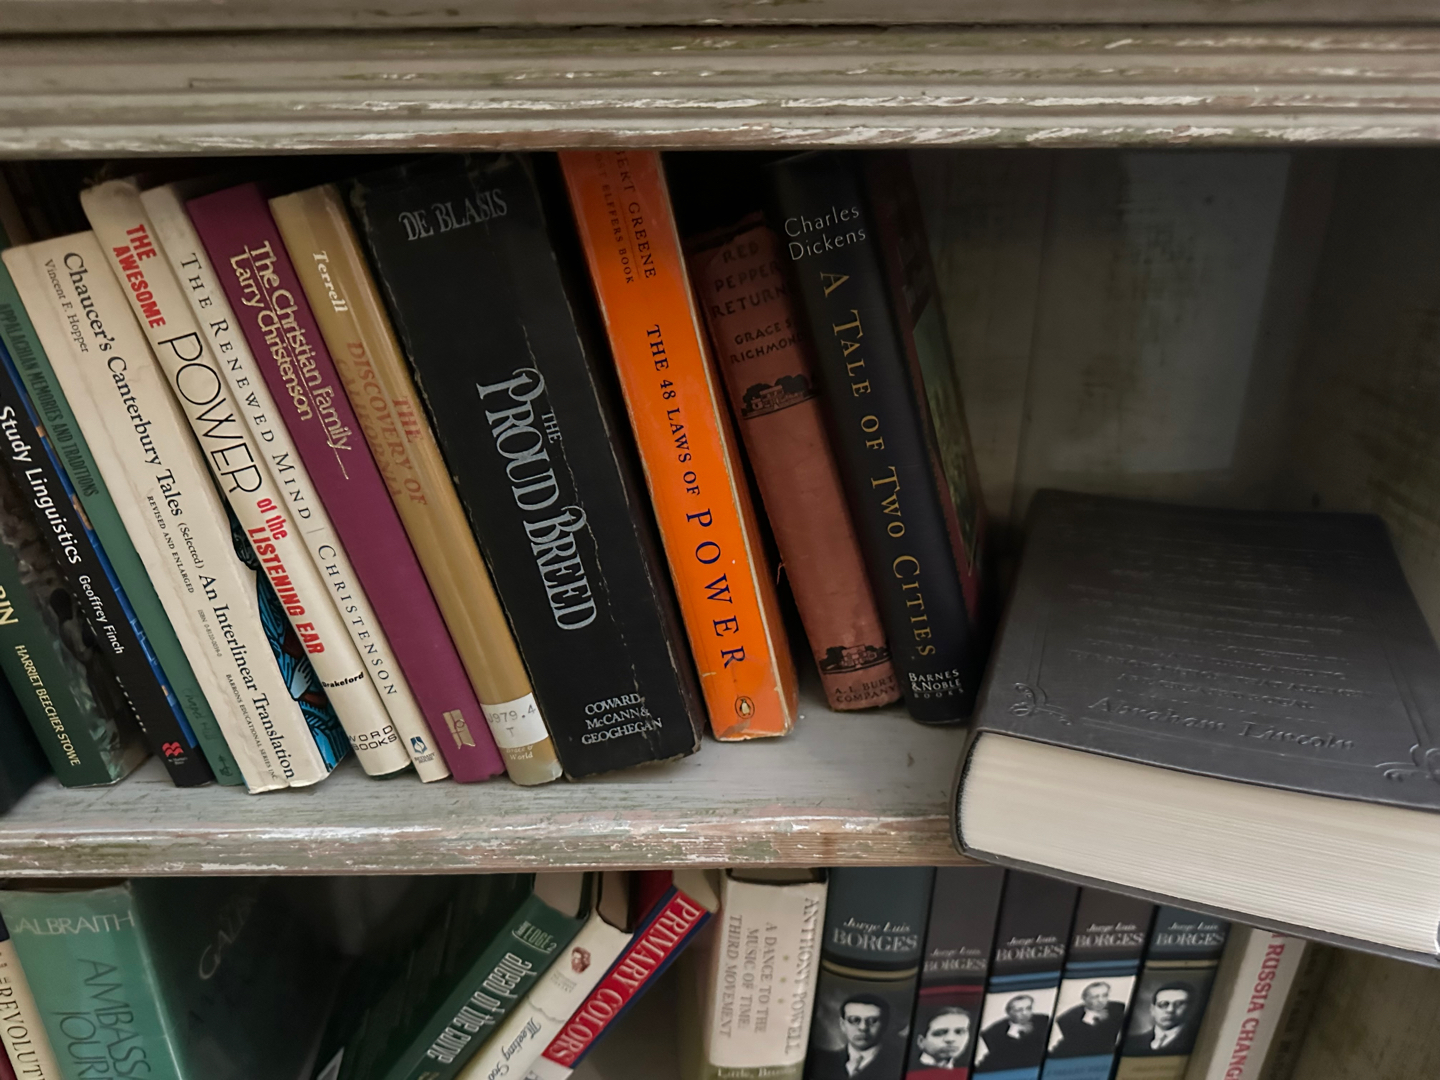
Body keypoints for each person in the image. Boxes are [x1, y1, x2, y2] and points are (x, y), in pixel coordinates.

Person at [808, 994, 906, 1079]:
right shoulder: (820, 1062)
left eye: (872, 1021)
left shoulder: (899, 1064)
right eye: (854, 1020)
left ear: (885, 1025)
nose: (863, 1028)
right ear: (842, 1024)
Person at [1049, 981, 1127, 1057]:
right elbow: (1088, 1044)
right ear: (1085, 999)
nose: (1101, 1000)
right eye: (1095, 997)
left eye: (1105, 995)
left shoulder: (1119, 1009)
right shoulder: (1068, 1019)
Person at [974, 994, 1049, 1072]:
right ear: (1009, 1012)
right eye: (1019, 1010)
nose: (1025, 1013)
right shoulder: (993, 1032)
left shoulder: (1044, 1021)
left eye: (1028, 1008)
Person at [1123, 982, 1195, 1056]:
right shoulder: (1130, 1042)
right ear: (1152, 1009)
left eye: (1179, 1004)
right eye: (1163, 1004)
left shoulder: (1195, 1041)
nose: (1170, 1010)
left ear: (1191, 1009)